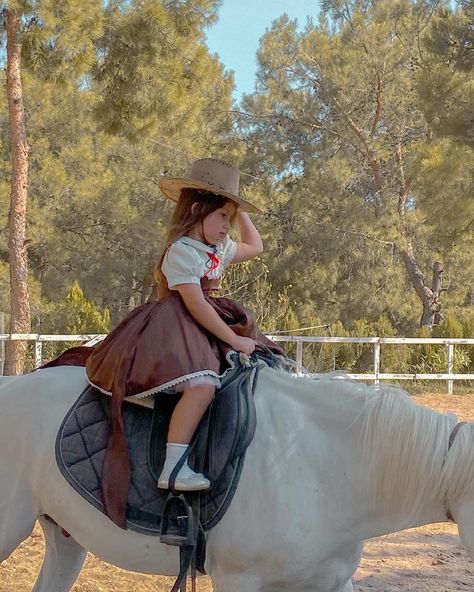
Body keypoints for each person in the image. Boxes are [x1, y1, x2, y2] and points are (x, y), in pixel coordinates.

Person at [84, 158, 286, 525]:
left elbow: (255, 246)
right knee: (202, 384)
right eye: (221, 216)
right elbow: (195, 305)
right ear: (197, 210)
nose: (227, 226)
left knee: (265, 368)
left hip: (208, 317)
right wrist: (234, 340)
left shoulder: (218, 249)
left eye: (230, 217)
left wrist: (237, 208)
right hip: (176, 323)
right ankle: (174, 465)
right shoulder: (181, 252)